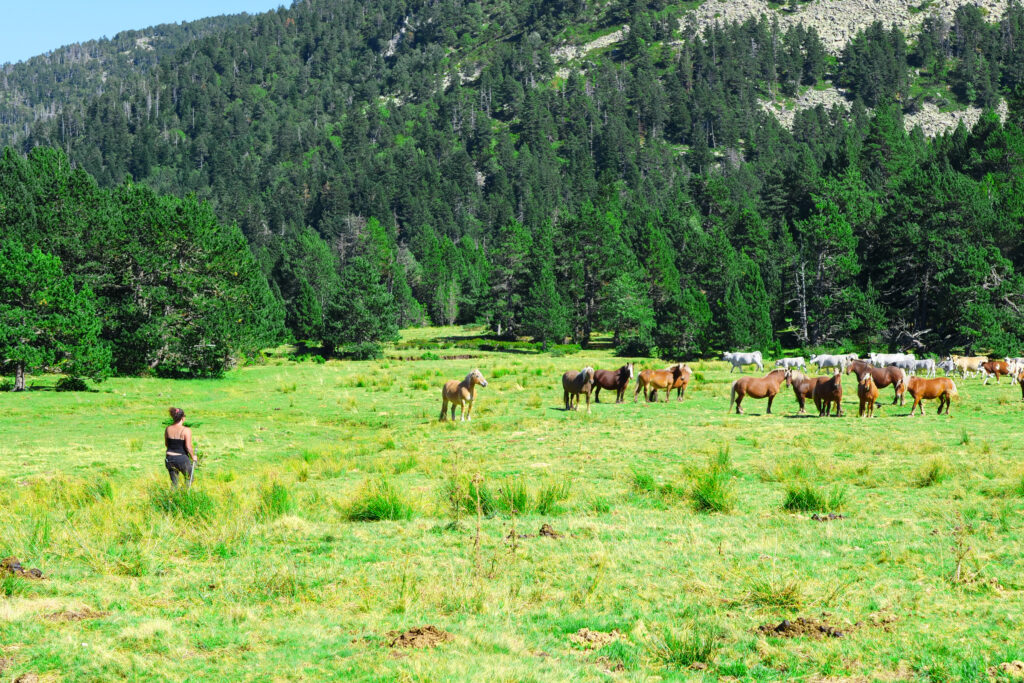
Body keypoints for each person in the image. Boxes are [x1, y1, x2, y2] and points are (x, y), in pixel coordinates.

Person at [165, 407, 196, 488]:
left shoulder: (168, 429)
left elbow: (166, 444)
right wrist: (193, 457)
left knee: (174, 483)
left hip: (169, 458)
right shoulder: (186, 430)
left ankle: (173, 498)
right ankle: (183, 494)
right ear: (183, 418)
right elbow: (188, 447)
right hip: (181, 458)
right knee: (190, 478)